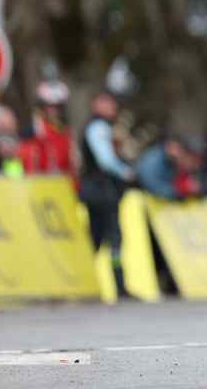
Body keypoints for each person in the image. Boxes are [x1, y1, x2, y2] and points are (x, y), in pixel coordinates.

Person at [79, 91, 136, 299]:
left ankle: (82, 283)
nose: (113, 109)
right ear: (97, 104)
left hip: (95, 190)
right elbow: (105, 160)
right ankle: (119, 286)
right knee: (114, 238)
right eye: (109, 104)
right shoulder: (98, 128)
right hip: (102, 190)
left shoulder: (100, 127)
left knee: (96, 238)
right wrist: (125, 172)